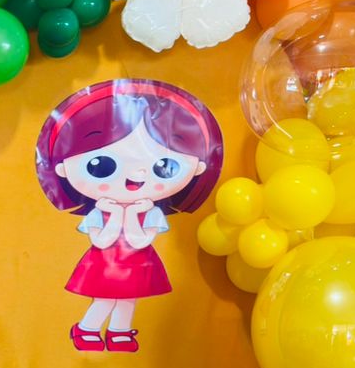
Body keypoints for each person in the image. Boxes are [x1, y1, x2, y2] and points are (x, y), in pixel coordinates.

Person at [34, 79, 223, 353]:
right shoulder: (100, 212)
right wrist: (114, 213)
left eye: (164, 165)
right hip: (103, 263)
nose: (135, 176)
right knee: (104, 299)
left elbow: (140, 241)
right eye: (101, 165)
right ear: (62, 168)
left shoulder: (151, 213)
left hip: (138, 262)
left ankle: (119, 332)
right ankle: (86, 329)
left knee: (128, 300)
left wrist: (132, 213)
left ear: (198, 168)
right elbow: (101, 241)